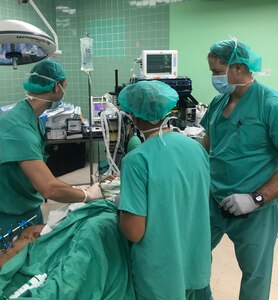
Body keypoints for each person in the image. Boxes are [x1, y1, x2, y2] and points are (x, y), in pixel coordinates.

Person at [117, 80, 211, 300]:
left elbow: (134, 231)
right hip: (195, 260)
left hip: (160, 272)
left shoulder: (137, 159)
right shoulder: (196, 148)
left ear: (134, 116)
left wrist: (122, 206)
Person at [199, 39, 278, 300]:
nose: (213, 77)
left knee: (255, 275)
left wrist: (256, 198)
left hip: (254, 209)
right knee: (194, 256)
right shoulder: (218, 102)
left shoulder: (270, 104)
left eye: (216, 71)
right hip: (213, 199)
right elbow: (206, 144)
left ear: (237, 68)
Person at [0, 60, 103, 237]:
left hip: (27, 207)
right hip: (9, 218)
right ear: (56, 87)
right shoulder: (17, 128)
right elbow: (49, 188)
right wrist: (86, 195)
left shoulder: (31, 117)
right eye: (65, 86)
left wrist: (77, 190)